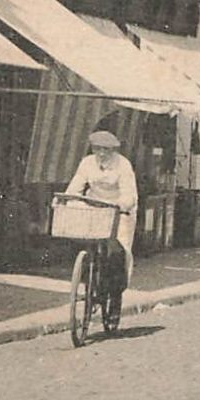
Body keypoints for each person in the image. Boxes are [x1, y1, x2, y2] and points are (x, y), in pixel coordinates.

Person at [65, 129, 138, 307]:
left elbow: (129, 194)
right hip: (95, 209)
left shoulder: (123, 165)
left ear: (114, 150)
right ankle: (89, 277)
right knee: (86, 243)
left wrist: (122, 205)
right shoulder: (87, 163)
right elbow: (75, 186)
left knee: (118, 250)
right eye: (98, 149)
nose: (102, 153)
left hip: (119, 211)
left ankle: (114, 293)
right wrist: (67, 198)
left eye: (106, 149)